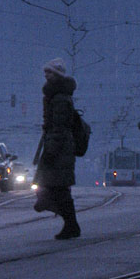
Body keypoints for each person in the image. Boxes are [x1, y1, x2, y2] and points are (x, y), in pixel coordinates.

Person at [33, 58, 81, 240]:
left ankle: (70, 224)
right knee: (57, 187)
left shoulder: (60, 98)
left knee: (56, 187)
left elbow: (59, 127)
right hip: (57, 146)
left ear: (58, 75)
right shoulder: (55, 95)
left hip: (59, 148)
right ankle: (71, 224)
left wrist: (51, 151)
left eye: (50, 72)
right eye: (46, 72)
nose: (46, 76)